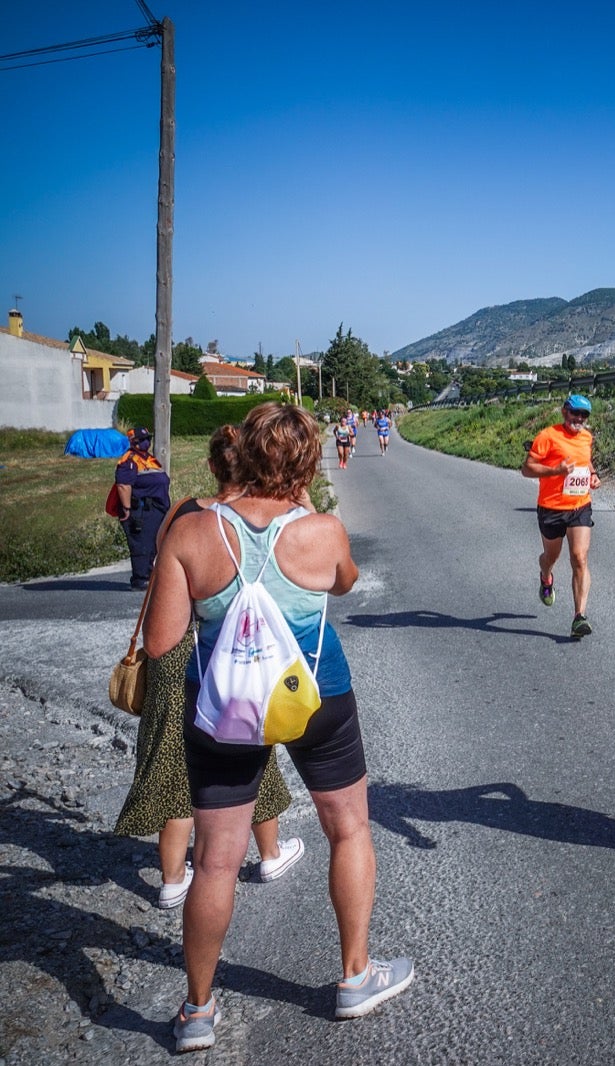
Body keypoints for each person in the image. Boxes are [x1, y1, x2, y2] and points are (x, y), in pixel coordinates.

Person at [145, 404, 412, 1051]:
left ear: (240, 454)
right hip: (317, 699)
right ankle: (354, 975)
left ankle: (198, 1012)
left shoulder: (192, 533)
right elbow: (342, 585)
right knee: (347, 828)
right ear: (305, 461)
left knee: (215, 862)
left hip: (224, 709)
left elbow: (160, 646)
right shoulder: (322, 530)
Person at [115, 425, 304, 909]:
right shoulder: (252, 519)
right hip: (224, 651)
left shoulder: (182, 514)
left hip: (171, 650)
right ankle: (268, 853)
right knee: (245, 751)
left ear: (212, 466)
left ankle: (173, 878)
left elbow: (162, 572)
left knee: (175, 762)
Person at [521, 394, 602, 638]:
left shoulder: (587, 437)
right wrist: (555, 470)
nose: (579, 418)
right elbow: (527, 468)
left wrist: (593, 474)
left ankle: (580, 616)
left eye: (584, 415)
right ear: (565, 412)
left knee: (579, 557)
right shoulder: (548, 436)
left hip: (579, 506)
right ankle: (546, 577)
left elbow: (584, 461)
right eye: (575, 412)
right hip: (551, 508)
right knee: (551, 556)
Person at [114, 427, 171, 590]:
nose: (147, 442)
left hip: (156, 510)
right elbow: (123, 485)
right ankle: (140, 579)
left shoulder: (149, 459)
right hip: (140, 510)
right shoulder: (128, 460)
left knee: (154, 544)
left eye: (148, 439)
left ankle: (151, 575)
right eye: (143, 440)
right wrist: (126, 509)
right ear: (134, 442)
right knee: (141, 545)